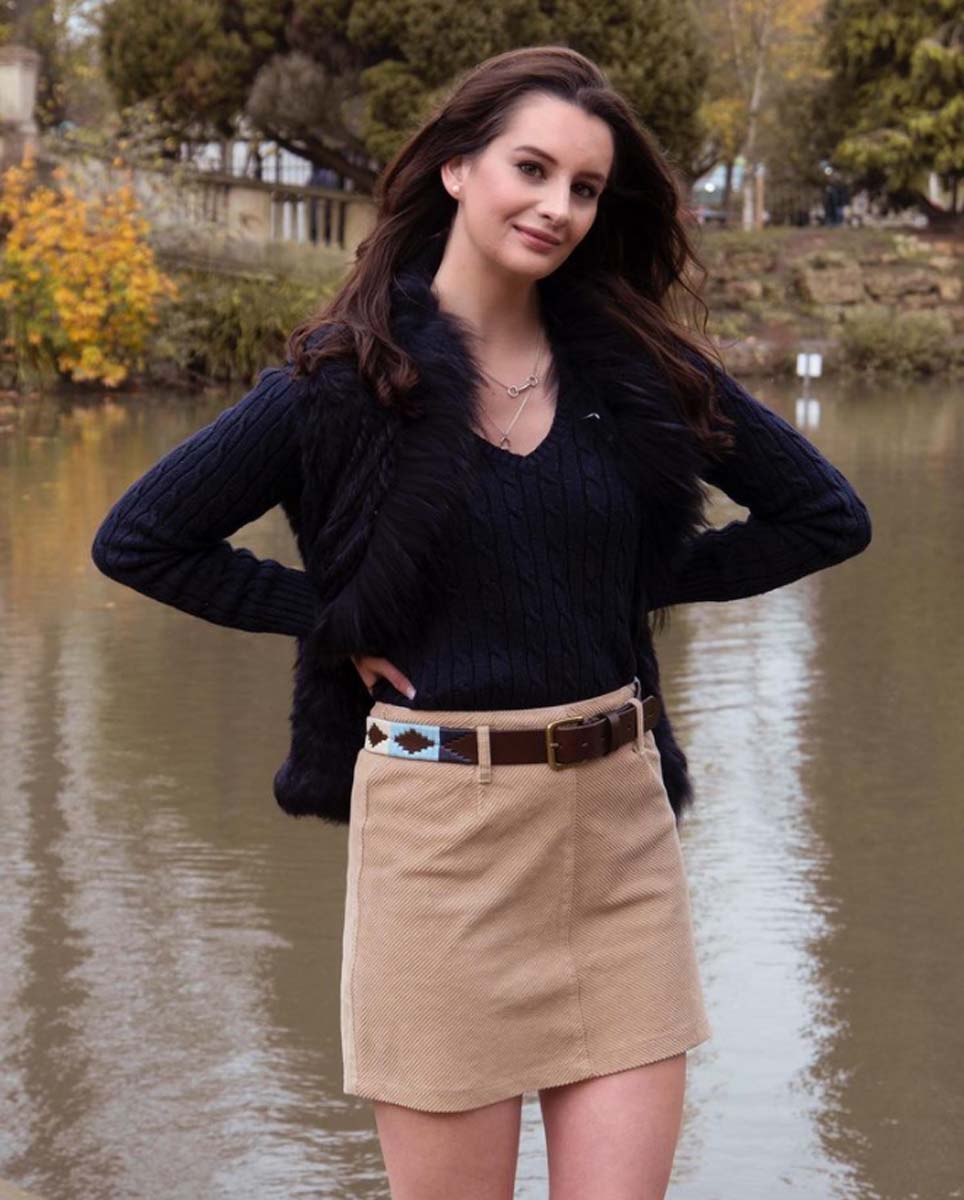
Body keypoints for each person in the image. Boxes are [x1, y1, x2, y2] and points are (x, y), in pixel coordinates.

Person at [91, 46, 872, 1200]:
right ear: (457, 168)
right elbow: (141, 539)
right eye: (531, 168)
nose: (558, 206)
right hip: (439, 845)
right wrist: (335, 616)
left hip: (617, 837)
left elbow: (824, 516)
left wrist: (632, 581)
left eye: (585, 187)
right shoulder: (341, 380)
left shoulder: (637, 373)